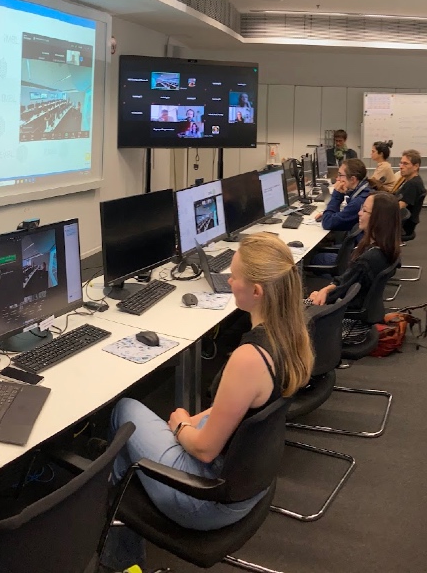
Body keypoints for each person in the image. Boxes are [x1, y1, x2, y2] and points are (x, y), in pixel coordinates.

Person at [99, 233, 312, 570]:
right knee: (139, 440)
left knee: (124, 412)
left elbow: (203, 450)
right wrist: (194, 422)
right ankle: (120, 540)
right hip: (249, 485)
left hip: (207, 499)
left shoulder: (249, 358)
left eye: (235, 276)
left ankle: (118, 548)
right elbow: (237, 408)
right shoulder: (290, 336)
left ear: (257, 292)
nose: (229, 281)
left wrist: (180, 425)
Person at [308, 193, 401, 307]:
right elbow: (346, 281)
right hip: (363, 306)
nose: (359, 213)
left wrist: (320, 295)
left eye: (364, 210)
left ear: (378, 218)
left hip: (345, 309)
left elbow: (340, 293)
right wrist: (328, 289)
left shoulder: (367, 260)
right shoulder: (388, 247)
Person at [316, 158, 374, 231]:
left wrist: (337, 195)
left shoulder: (359, 201)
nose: (337, 179)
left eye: (340, 175)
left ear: (353, 179)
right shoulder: (364, 190)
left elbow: (327, 223)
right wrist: (328, 214)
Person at [386, 150, 426, 241]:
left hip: (403, 225)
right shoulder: (409, 180)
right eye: (401, 163)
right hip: (403, 222)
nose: (401, 167)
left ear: (416, 166)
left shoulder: (413, 184)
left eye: (405, 164)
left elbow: (399, 207)